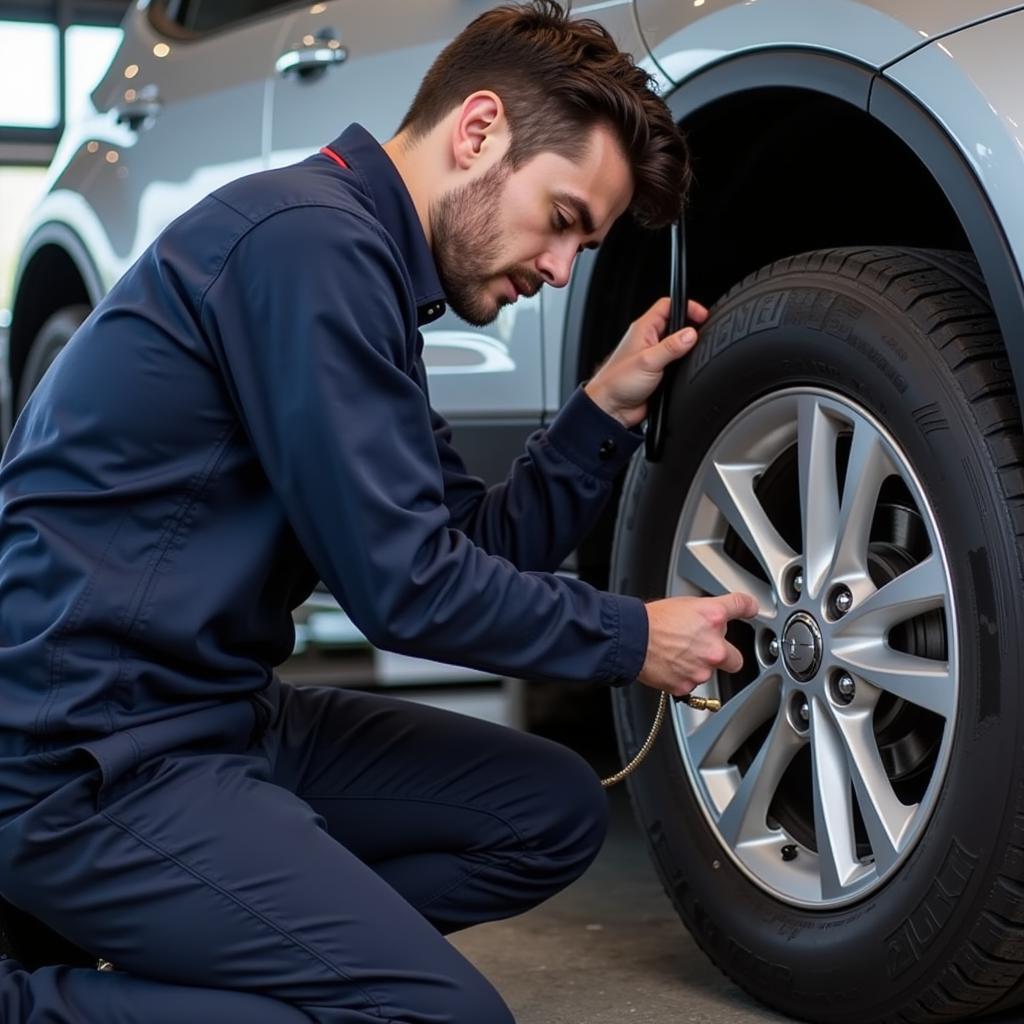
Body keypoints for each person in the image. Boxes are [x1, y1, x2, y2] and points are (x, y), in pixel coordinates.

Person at [0, 2, 757, 1021]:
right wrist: (631, 637)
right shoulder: (308, 248)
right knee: (438, 1017)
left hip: (214, 718)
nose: (561, 270)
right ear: (478, 130)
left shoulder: (358, 266)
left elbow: (471, 545)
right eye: (564, 219)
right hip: (85, 754)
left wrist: (599, 412)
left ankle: (243, 958)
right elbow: (405, 587)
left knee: (550, 810)